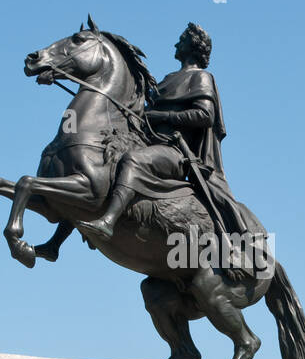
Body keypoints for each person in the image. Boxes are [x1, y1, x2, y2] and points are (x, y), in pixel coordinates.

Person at [80, 22, 252, 249]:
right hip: (151, 143)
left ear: (193, 46)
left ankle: (108, 220)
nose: (175, 44)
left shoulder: (201, 77)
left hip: (176, 152)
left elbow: (204, 115)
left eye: (181, 40)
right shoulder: (169, 78)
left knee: (132, 160)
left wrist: (163, 116)